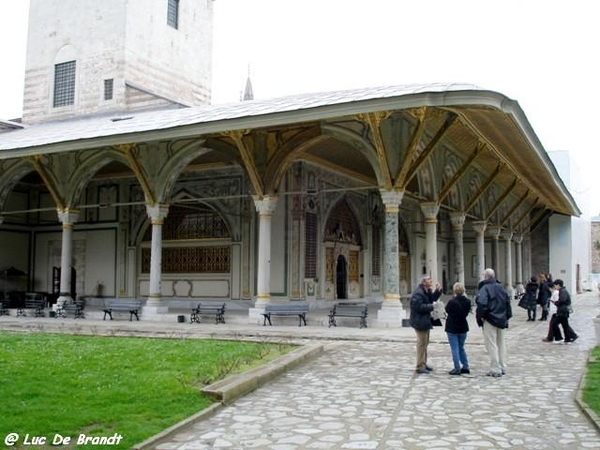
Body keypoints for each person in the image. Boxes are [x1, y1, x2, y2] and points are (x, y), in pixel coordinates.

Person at [475, 268, 512, 377]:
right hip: (501, 318)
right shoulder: (501, 288)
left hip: (490, 318)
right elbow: (507, 303)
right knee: (501, 344)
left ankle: (495, 368)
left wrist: (480, 318)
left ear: (485, 277)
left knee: (491, 344)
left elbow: (482, 304)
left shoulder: (485, 288)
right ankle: (502, 365)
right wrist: (507, 317)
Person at [409, 274, 442, 374]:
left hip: (425, 321)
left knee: (425, 343)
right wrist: (432, 306)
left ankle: (424, 363)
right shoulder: (418, 293)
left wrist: (438, 291)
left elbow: (431, 299)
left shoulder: (427, 291)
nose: (430, 281)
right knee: (421, 344)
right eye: (428, 279)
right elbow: (419, 307)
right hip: (419, 321)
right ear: (423, 282)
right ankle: (419, 366)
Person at [445, 282, 471, 375]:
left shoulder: (452, 302)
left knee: (454, 348)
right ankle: (466, 366)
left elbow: (447, 310)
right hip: (463, 326)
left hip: (452, 327)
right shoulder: (468, 301)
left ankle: (457, 367)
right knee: (461, 347)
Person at [551, 279, 579, 343]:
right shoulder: (563, 290)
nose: (555, 287)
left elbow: (562, 300)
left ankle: (559, 338)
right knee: (565, 325)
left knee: (554, 324)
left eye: (555, 285)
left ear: (558, 285)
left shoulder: (562, 291)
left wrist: (556, 303)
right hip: (563, 311)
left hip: (562, 311)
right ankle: (567, 339)